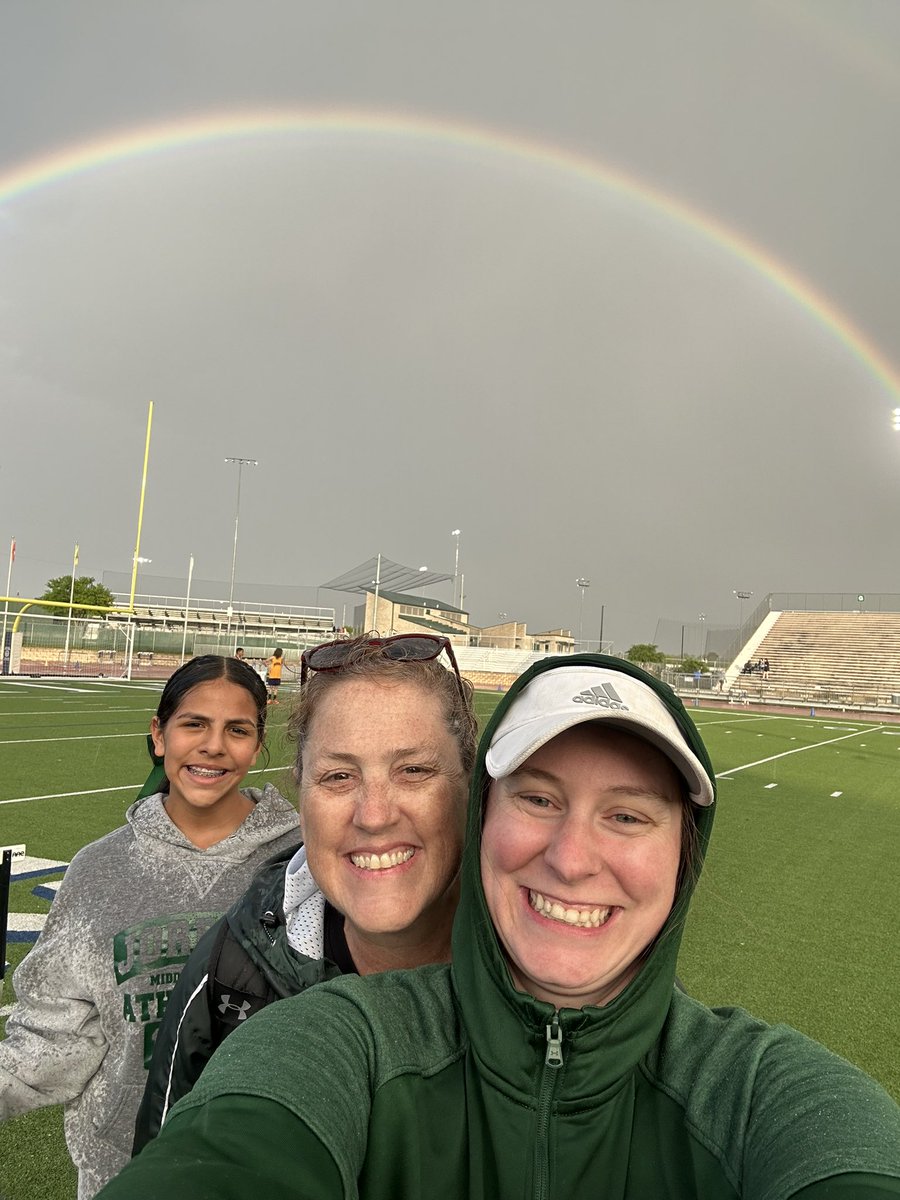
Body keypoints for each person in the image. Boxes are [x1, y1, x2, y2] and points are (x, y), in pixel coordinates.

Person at [98, 654, 900, 1200]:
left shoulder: (752, 1091)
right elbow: (226, 1149)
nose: (574, 857)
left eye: (627, 814)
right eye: (539, 798)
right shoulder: (328, 1033)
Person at [131, 632, 476, 1152]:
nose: (375, 814)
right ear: (301, 793)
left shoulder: (551, 973)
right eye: (337, 776)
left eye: (414, 771)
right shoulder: (231, 969)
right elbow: (163, 1156)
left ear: (472, 785)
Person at [0, 655, 300, 1200]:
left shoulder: (304, 862)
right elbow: (57, 1034)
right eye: (194, 724)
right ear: (159, 735)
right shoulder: (98, 868)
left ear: (257, 747)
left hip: (271, 1165)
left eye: (237, 730)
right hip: (126, 1170)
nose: (213, 745)